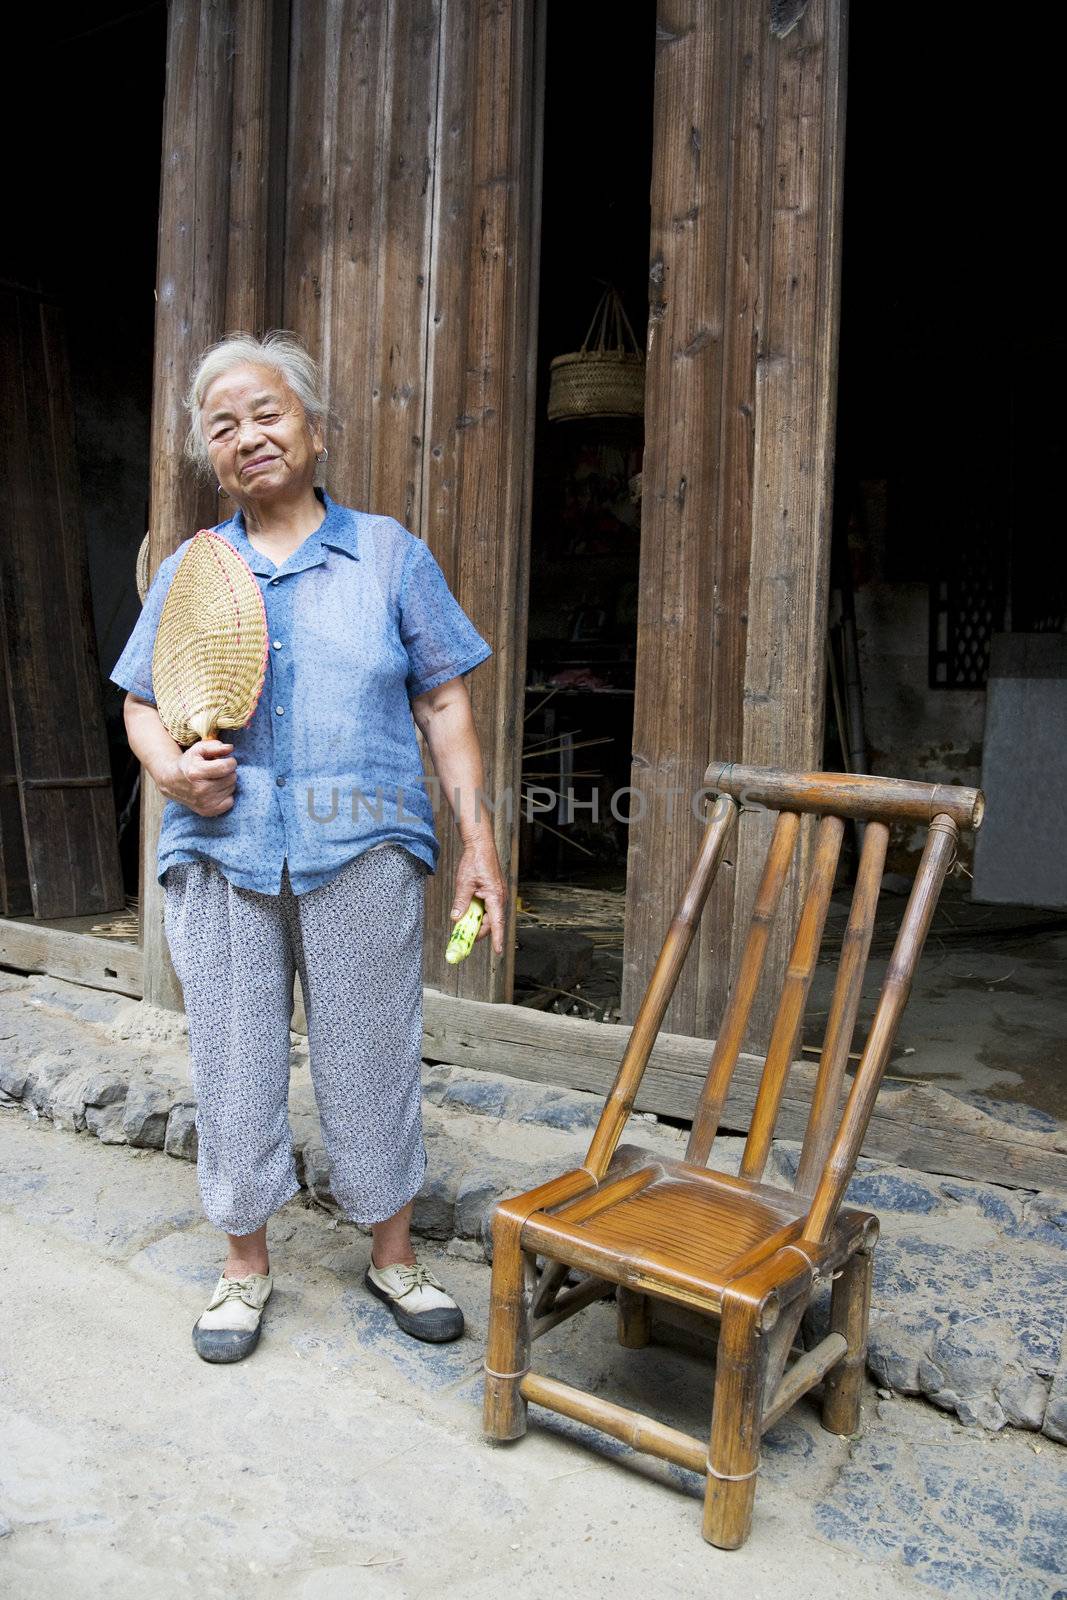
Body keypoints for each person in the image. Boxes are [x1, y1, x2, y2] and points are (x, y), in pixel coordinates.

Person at [112, 330, 507, 1363]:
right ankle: (244, 1265)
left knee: (371, 1053)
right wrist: (166, 769)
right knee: (232, 1062)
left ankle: (391, 1253)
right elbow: (140, 701)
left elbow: (444, 698)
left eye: (269, 413)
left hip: (364, 846)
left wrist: (477, 840)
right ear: (210, 454)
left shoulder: (386, 554)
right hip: (222, 848)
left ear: (316, 429)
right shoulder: (195, 568)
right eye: (224, 426)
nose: (249, 436)